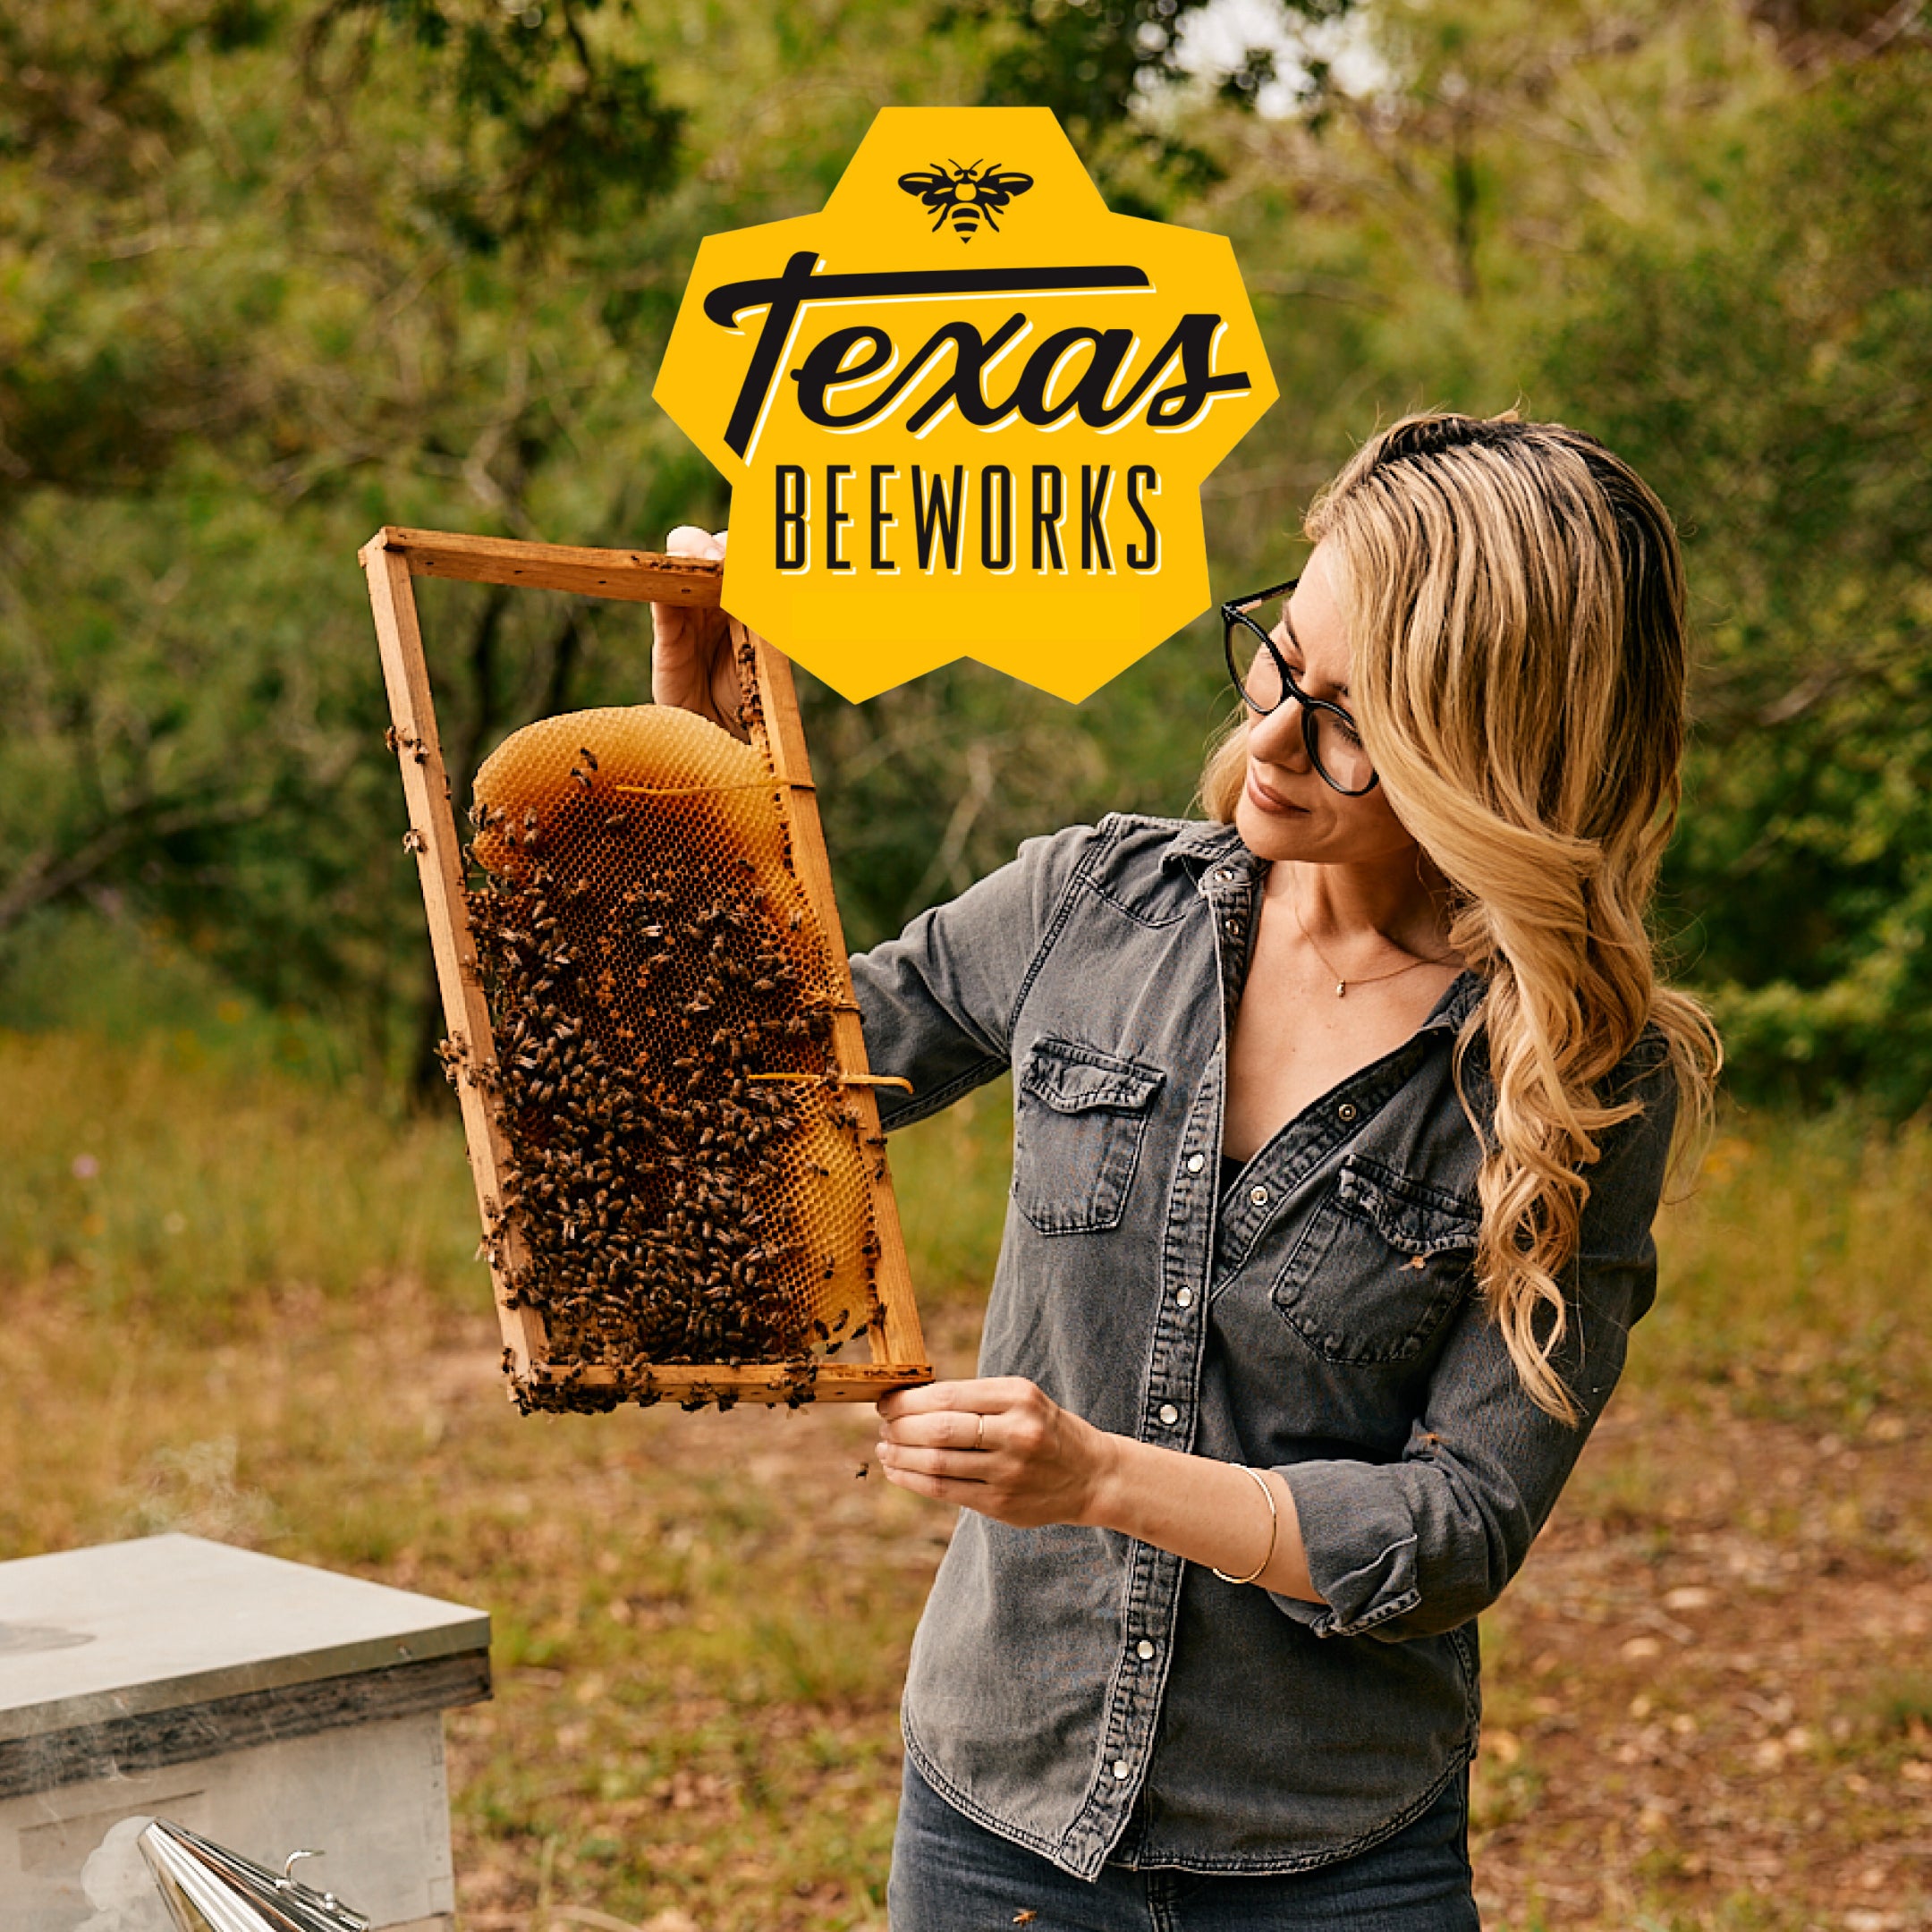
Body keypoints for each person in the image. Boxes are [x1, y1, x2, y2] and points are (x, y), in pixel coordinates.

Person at [648, 411, 1722, 1929]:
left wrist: (1096, 1480)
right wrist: (698, 754)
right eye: (1280, 659)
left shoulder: (1583, 1077)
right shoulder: (1085, 904)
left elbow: (1459, 1527)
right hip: (995, 1817)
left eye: (1355, 718)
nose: (1273, 741)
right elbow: (742, 1087)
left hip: (1332, 1860)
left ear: (1491, 752)